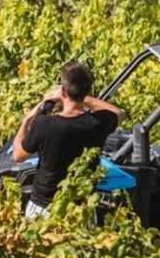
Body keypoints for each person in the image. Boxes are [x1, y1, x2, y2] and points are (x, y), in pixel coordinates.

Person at [11, 61, 123, 218]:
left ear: (63, 91)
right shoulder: (98, 123)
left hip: (43, 208)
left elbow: (18, 155)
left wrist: (27, 120)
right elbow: (117, 113)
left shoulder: (44, 124)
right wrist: (85, 98)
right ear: (88, 90)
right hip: (80, 210)